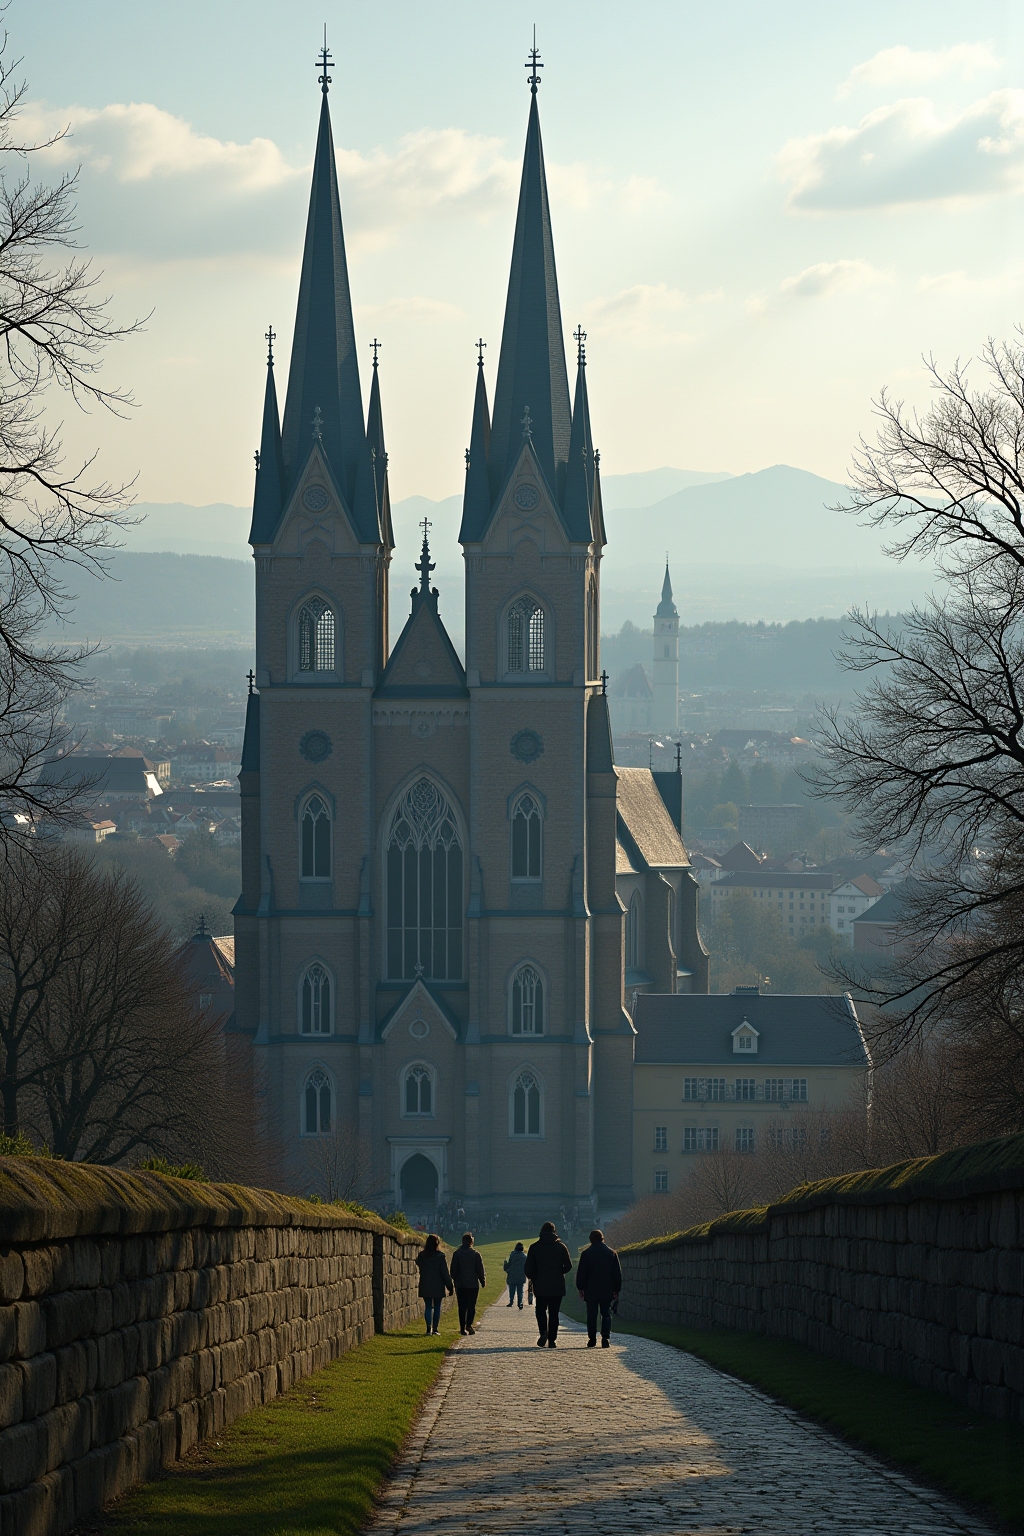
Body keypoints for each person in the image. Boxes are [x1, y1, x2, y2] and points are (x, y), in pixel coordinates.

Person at [524, 1221, 573, 1347]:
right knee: (554, 1313)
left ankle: (543, 1332)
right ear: (554, 1232)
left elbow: (528, 1268)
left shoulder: (534, 1247)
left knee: (540, 1310)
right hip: (557, 1285)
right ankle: (552, 1339)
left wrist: (535, 1277)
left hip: (540, 1284)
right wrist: (558, 1272)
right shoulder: (561, 1247)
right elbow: (568, 1266)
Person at [576, 1228, 623, 1348]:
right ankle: (605, 1337)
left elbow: (582, 1273)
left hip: (591, 1289)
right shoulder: (611, 1253)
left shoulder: (586, 1254)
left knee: (591, 1314)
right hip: (606, 1288)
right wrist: (616, 1289)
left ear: (591, 1240)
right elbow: (617, 1274)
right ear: (602, 1238)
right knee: (606, 1313)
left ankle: (592, 1339)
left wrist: (580, 1287)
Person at [415, 1233, 453, 1336]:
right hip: (438, 1285)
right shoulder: (440, 1256)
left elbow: (418, 1263)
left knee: (428, 1306)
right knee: (437, 1307)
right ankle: (435, 1329)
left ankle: (428, 1329)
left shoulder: (422, 1255)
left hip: (425, 1283)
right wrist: (450, 1286)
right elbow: (445, 1273)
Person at [449, 1231, 486, 1335]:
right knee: (471, 1306)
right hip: (472, 1285)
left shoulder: (457, 1254)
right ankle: (468, 1325)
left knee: (462, 1306)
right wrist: (482, 1280)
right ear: (471, 1242)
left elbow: (453, 1270)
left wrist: (455, 1279)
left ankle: (462, 1328)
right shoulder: (475, 1254)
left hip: (460, 1285)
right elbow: (480, 1269)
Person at [503, 1242, 527, 1308]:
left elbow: (509, 1264)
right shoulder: (524, 1257)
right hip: (521, 1275)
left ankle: (511, 1302)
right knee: (520, 1291)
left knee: (512, 1290)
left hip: (512, 1274)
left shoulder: (512, 1255)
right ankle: (520, 1302)